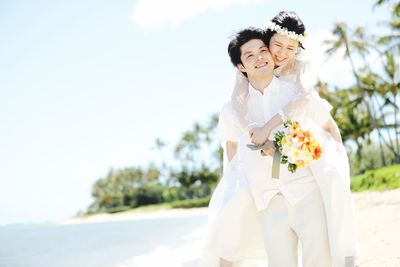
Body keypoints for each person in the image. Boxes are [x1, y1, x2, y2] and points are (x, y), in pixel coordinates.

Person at [200, 21, 358, 267]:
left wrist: (338, 169)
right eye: (250, 55)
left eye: (263, 51)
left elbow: (329, 126)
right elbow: (231, 147)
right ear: (241, 66)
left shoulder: (296, 93)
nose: (259, 58)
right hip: (268, 202)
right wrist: (240, 185)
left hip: (307, 192)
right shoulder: (232, 110)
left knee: (321, 262)